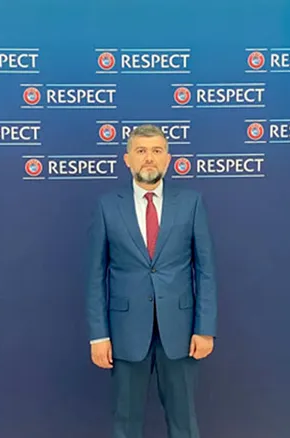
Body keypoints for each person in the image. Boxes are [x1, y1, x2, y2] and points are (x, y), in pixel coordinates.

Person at [85, 124, 218, 438]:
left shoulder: (191, 202)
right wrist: (98, 336)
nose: (149, 158)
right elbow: (95, 276)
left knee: (183, 421)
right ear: (127, 159)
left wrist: (205, 328)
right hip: (126, 332)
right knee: (126, 422)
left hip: (181, 332)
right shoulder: (107, 206)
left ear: (168, 159)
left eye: (157, 151)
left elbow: (206, 270)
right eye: (141, 151)